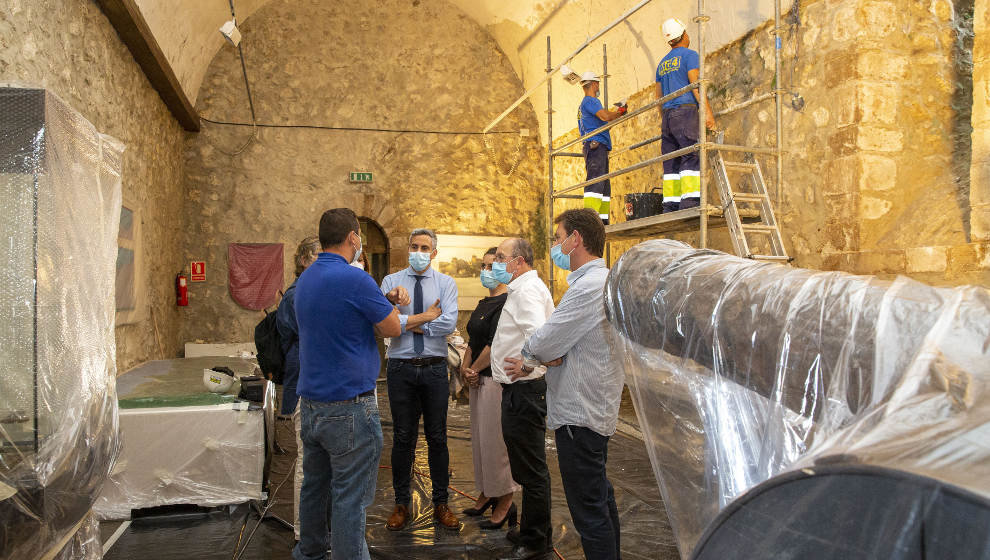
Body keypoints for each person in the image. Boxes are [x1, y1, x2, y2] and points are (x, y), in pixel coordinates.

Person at [504, 209, 625, 560]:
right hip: (588, 410)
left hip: (580, 414)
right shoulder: (597, 283)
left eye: (558, 238)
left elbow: (545, 342)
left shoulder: (589, 286)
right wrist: (547, 354)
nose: (556, 246)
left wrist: (534, 355)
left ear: (576, 240)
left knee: (589, 511)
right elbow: (554, 346)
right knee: (599, 499)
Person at [292, 208, 401, 560]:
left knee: (315, 489)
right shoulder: (356, 280)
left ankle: (308, 553)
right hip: (349, 408)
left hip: (310, 405)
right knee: (350, 499)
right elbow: (392, 328)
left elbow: (337, 321)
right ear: (353, 237)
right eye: (360, 239)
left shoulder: (307, 278)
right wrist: (393, 308)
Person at [380, 228, 461, 531]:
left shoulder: (446, 284)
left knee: (437, 437)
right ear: (407, 249)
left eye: (424, 247)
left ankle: (441, 502)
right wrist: (427, 317)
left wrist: (407, 322)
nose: (418, 252)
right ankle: (401, 503)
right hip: (401, 368)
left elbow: (449, 323)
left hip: (434, 368)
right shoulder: (390, 283)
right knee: (402, 438)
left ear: (434, 253)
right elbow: (385, 324)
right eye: (414, 246)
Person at [489, 238, 555, 560]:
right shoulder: (523, 288)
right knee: (527, 467)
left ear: (519, 261)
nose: (497, 263)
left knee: (532, 470)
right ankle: (532, 529)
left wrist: (530, 363)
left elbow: (540, 334)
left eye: (501, 257)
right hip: (518, 391)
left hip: (524, 391)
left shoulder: (527, 290)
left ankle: (535, 540)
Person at [460, 247, 519, 530]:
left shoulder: (508, 302)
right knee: (481, 441)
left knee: (496, 444)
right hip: (477, 379)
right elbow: (473, 338)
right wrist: (465, 366)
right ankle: (487, 491)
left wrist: (473, 368)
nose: (487, 271)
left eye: (491, 265)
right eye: (483, 267)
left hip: (494, 380)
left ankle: (505, 499)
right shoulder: (485, 302)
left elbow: (495, 343)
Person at [276, 235, 321, 542]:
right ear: (304, 260)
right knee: (307, 465)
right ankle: (304, 533)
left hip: (314, 388)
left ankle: (317, 530)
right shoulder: (296, 296)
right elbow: (312, 335)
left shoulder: (309, 292)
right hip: (303, 390)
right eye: (320, 256)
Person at [656, 17, 716, 213]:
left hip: (667, 115)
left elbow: (659, 97)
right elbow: (695, 83)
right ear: (683, 35)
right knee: (691, 156)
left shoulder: (662, 64)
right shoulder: (689, 55)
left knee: (671, 161)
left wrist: (665, 116)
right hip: (685, 112)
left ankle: (671, 205)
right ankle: (690, 203)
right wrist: (707, 113)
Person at [578, 71, 627, 225]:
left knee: (604, 185)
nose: (598, 87)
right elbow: (605, 116)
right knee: (596, 181)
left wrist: (616, 115)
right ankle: (591, 220)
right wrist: (619, 112)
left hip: (596, 145)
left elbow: (604, 124)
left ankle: (601, 220)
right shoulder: (591, 101)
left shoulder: (584, 105)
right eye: (597, 83)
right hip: (596, 145)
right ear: (593, 84)